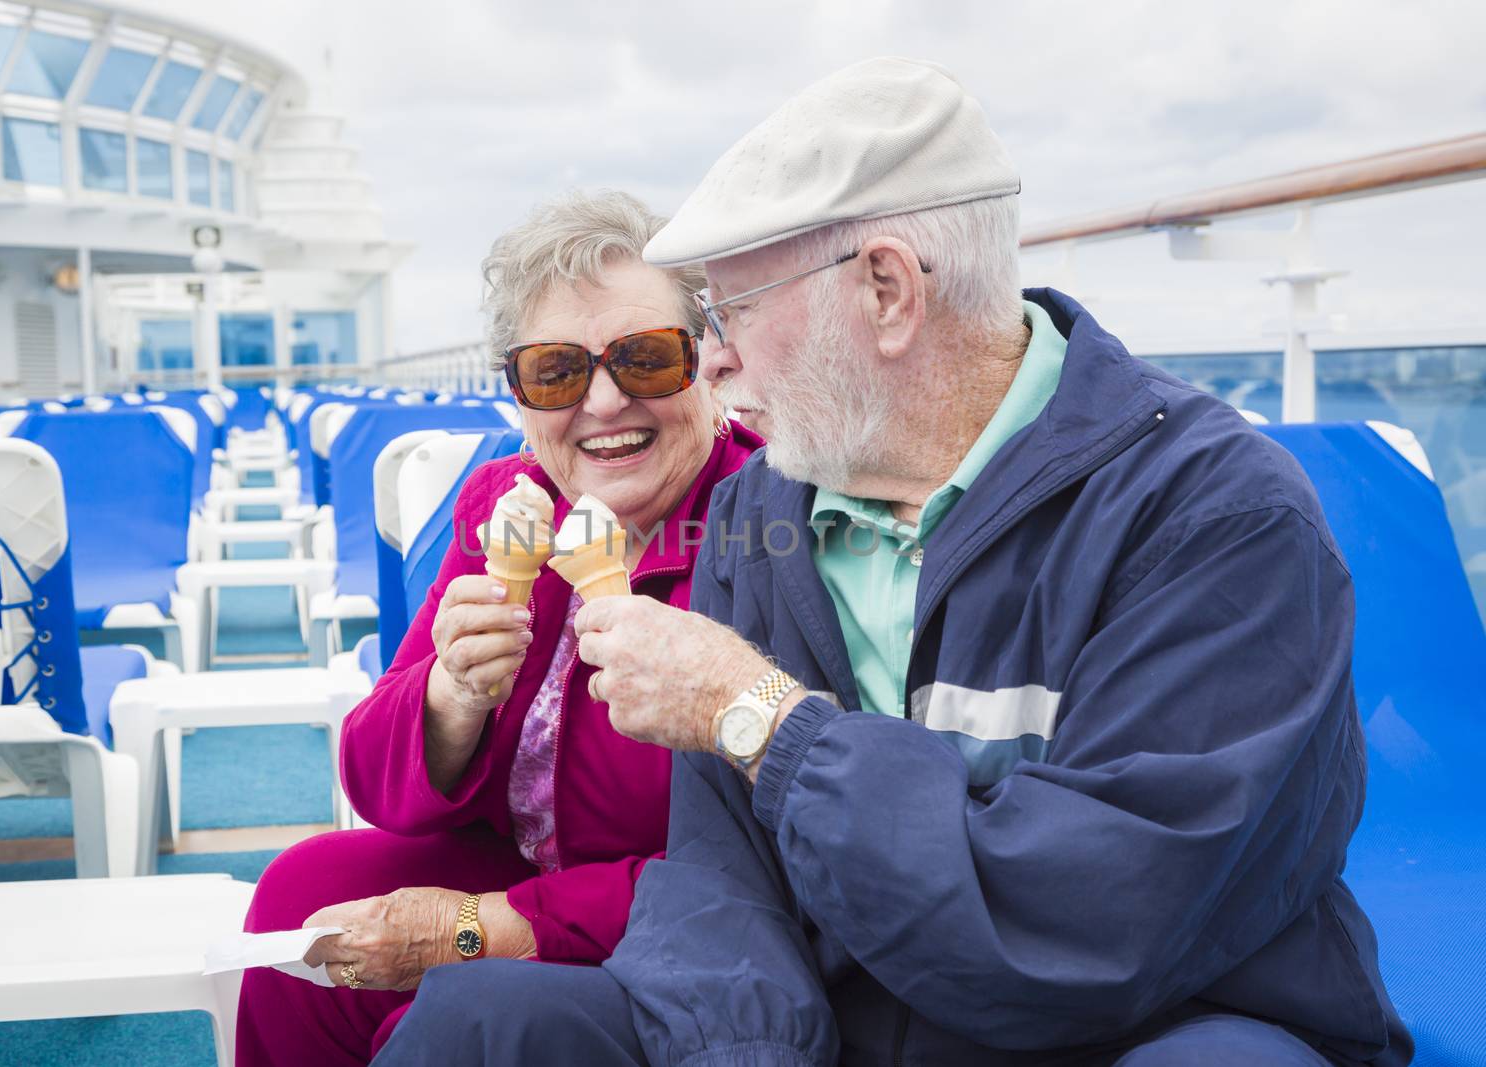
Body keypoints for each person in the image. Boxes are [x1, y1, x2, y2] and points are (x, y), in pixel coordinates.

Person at [374, 59, 1412, 1066]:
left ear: (883, 290)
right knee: (480, 1023)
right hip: (840, 1019)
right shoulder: (758, 509)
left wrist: (765, 722)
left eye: (730, 312)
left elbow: (1094, 916)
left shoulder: (1215, 513)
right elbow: (718, 881)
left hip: (1143, 1022)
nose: (716, 360)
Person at [235, 189, 760, 1065]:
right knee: (306, 895)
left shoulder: (763, 524)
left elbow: (762, 866)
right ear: (516, 391)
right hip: (522, 869)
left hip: (685, 922)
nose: (602, 401)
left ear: (705, 360)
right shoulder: (507, 505)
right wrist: (450, 697)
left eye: (644, 358)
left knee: (457, 1004)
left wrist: (479, 927)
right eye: (556, 370)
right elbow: (375, 778)